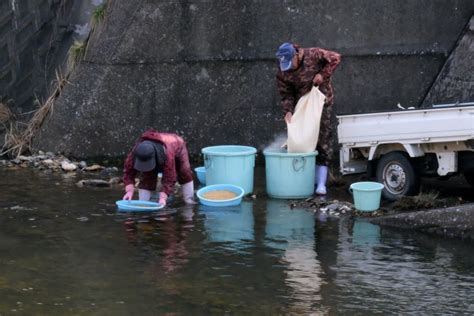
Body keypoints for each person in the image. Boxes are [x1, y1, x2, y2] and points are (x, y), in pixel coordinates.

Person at [276, 42, 341, 195]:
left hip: (320, 102)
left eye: (289, 62)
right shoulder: (282, 70)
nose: (288, 67)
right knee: (301, 139)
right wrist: (288, 111)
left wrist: (322, 75)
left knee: (323, 138)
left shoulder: (314, 54)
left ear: (296, 55)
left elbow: (336, 58)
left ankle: (321, 184)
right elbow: (286, 93)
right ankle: (306, 180)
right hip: (302, 106)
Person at [122, 129, 195, 206]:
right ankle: (143, 204)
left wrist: (163, 198)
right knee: (147, 176)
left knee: (184, 172)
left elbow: (170, 178)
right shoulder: (136, 151)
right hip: (154, 150)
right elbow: (128, 171)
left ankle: (189, 200)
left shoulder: (168, 155)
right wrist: (129, 191)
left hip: (177, 145)